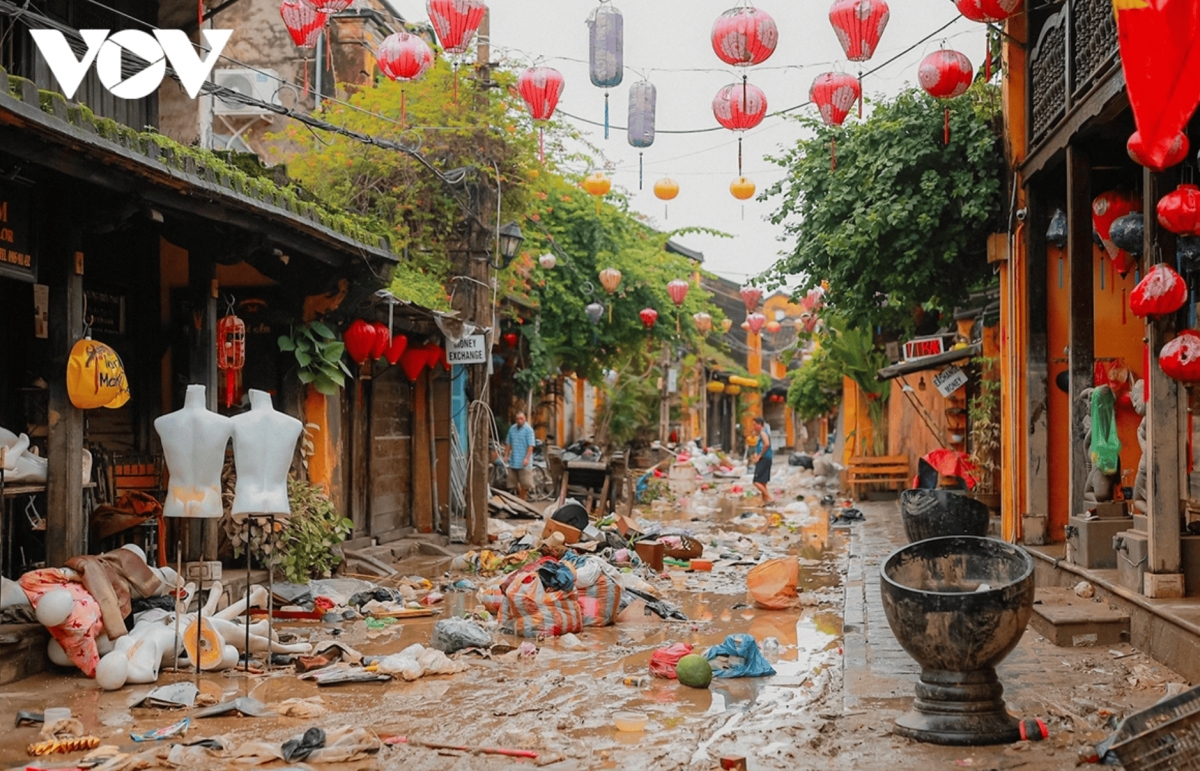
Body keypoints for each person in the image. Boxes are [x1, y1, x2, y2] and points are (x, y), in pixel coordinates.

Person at [504, 412, 536, 500]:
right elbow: (508, 443)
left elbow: (531, 446)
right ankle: (519, 497)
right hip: (514, 459)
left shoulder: (528, 430)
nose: (519, 420)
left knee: (525, 482)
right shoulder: (512, 429)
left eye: (521, 418)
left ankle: (523, 498)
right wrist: (506, 456)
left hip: (524, 460)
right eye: (518, 419)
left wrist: (527, 458)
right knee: (513, 481)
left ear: (524, 419)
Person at [750, 416, 773, 505]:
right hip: (767, 458)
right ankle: (765, 501)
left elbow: (766, 444)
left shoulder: (763, 433)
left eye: (755, 425)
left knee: (756, 481)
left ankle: (769, 497)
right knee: (763, 482)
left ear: (760, 424)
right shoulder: (763, 432)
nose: (754, 427)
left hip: (764, 458)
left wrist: (759, 455)